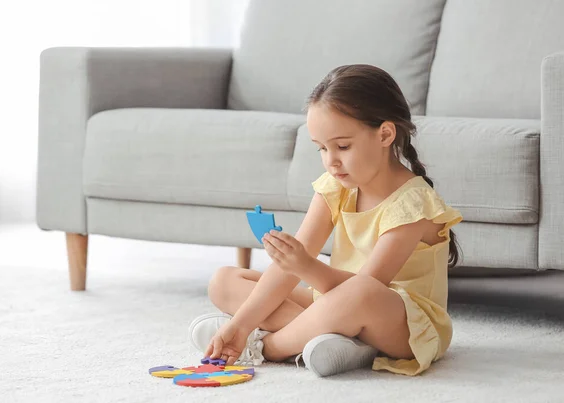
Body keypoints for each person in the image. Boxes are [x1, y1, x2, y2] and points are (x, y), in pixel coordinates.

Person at [187, 64, 463, 377]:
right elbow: (288, 272)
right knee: (224, 280)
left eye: (343, 146)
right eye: (321, 148)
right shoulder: (336, 186)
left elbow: (368, 288)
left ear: (385, 134)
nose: (331, 161)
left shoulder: (413, 204)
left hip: (402, 324)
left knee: (360, 294)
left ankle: (269, 347)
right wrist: (240, 324)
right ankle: (334, 343)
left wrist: (305, 266)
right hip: (334, 304)